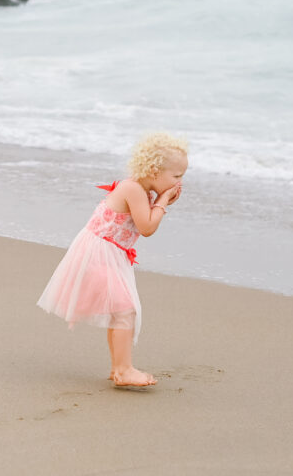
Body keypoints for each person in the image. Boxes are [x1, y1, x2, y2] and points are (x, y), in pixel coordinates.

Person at [37, 132, 188, 387]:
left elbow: (142, 224)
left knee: (121, 310)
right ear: (153, 171)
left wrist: (161, 201)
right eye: (176, 176)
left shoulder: (140, 190)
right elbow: (147, 227)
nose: (180, 182)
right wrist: (162, 202)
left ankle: (119, 368)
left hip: (109, 254)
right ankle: (124, 369)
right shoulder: (134, 189)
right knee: (125, 309)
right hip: (99, 254)